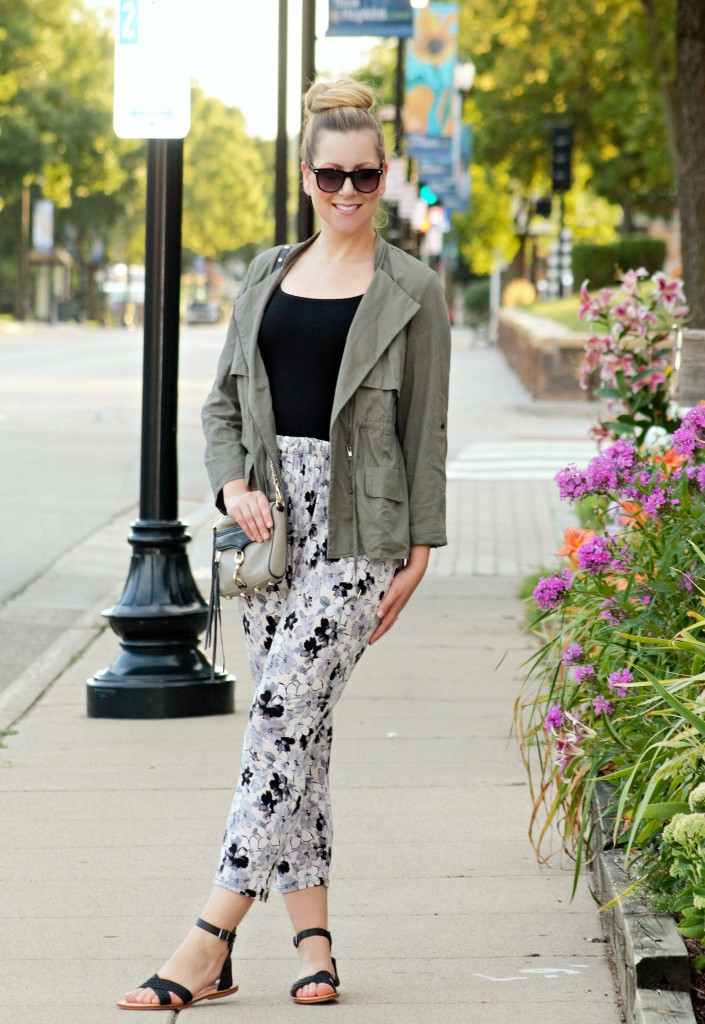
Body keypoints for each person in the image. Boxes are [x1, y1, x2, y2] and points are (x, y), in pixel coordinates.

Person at [117, 76, 450, 1011]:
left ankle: (208, 938)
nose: (349, 192)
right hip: (268, 530)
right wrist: (230, 485)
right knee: (299, 732)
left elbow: (425, 430)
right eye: (332, 175)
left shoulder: (413, 290)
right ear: (305, 175)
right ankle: (313, 941)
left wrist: (420, 551)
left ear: (385, 177)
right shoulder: (265, 275)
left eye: (367, 176)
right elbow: (223, 400)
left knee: (276, 720)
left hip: (361, 529)